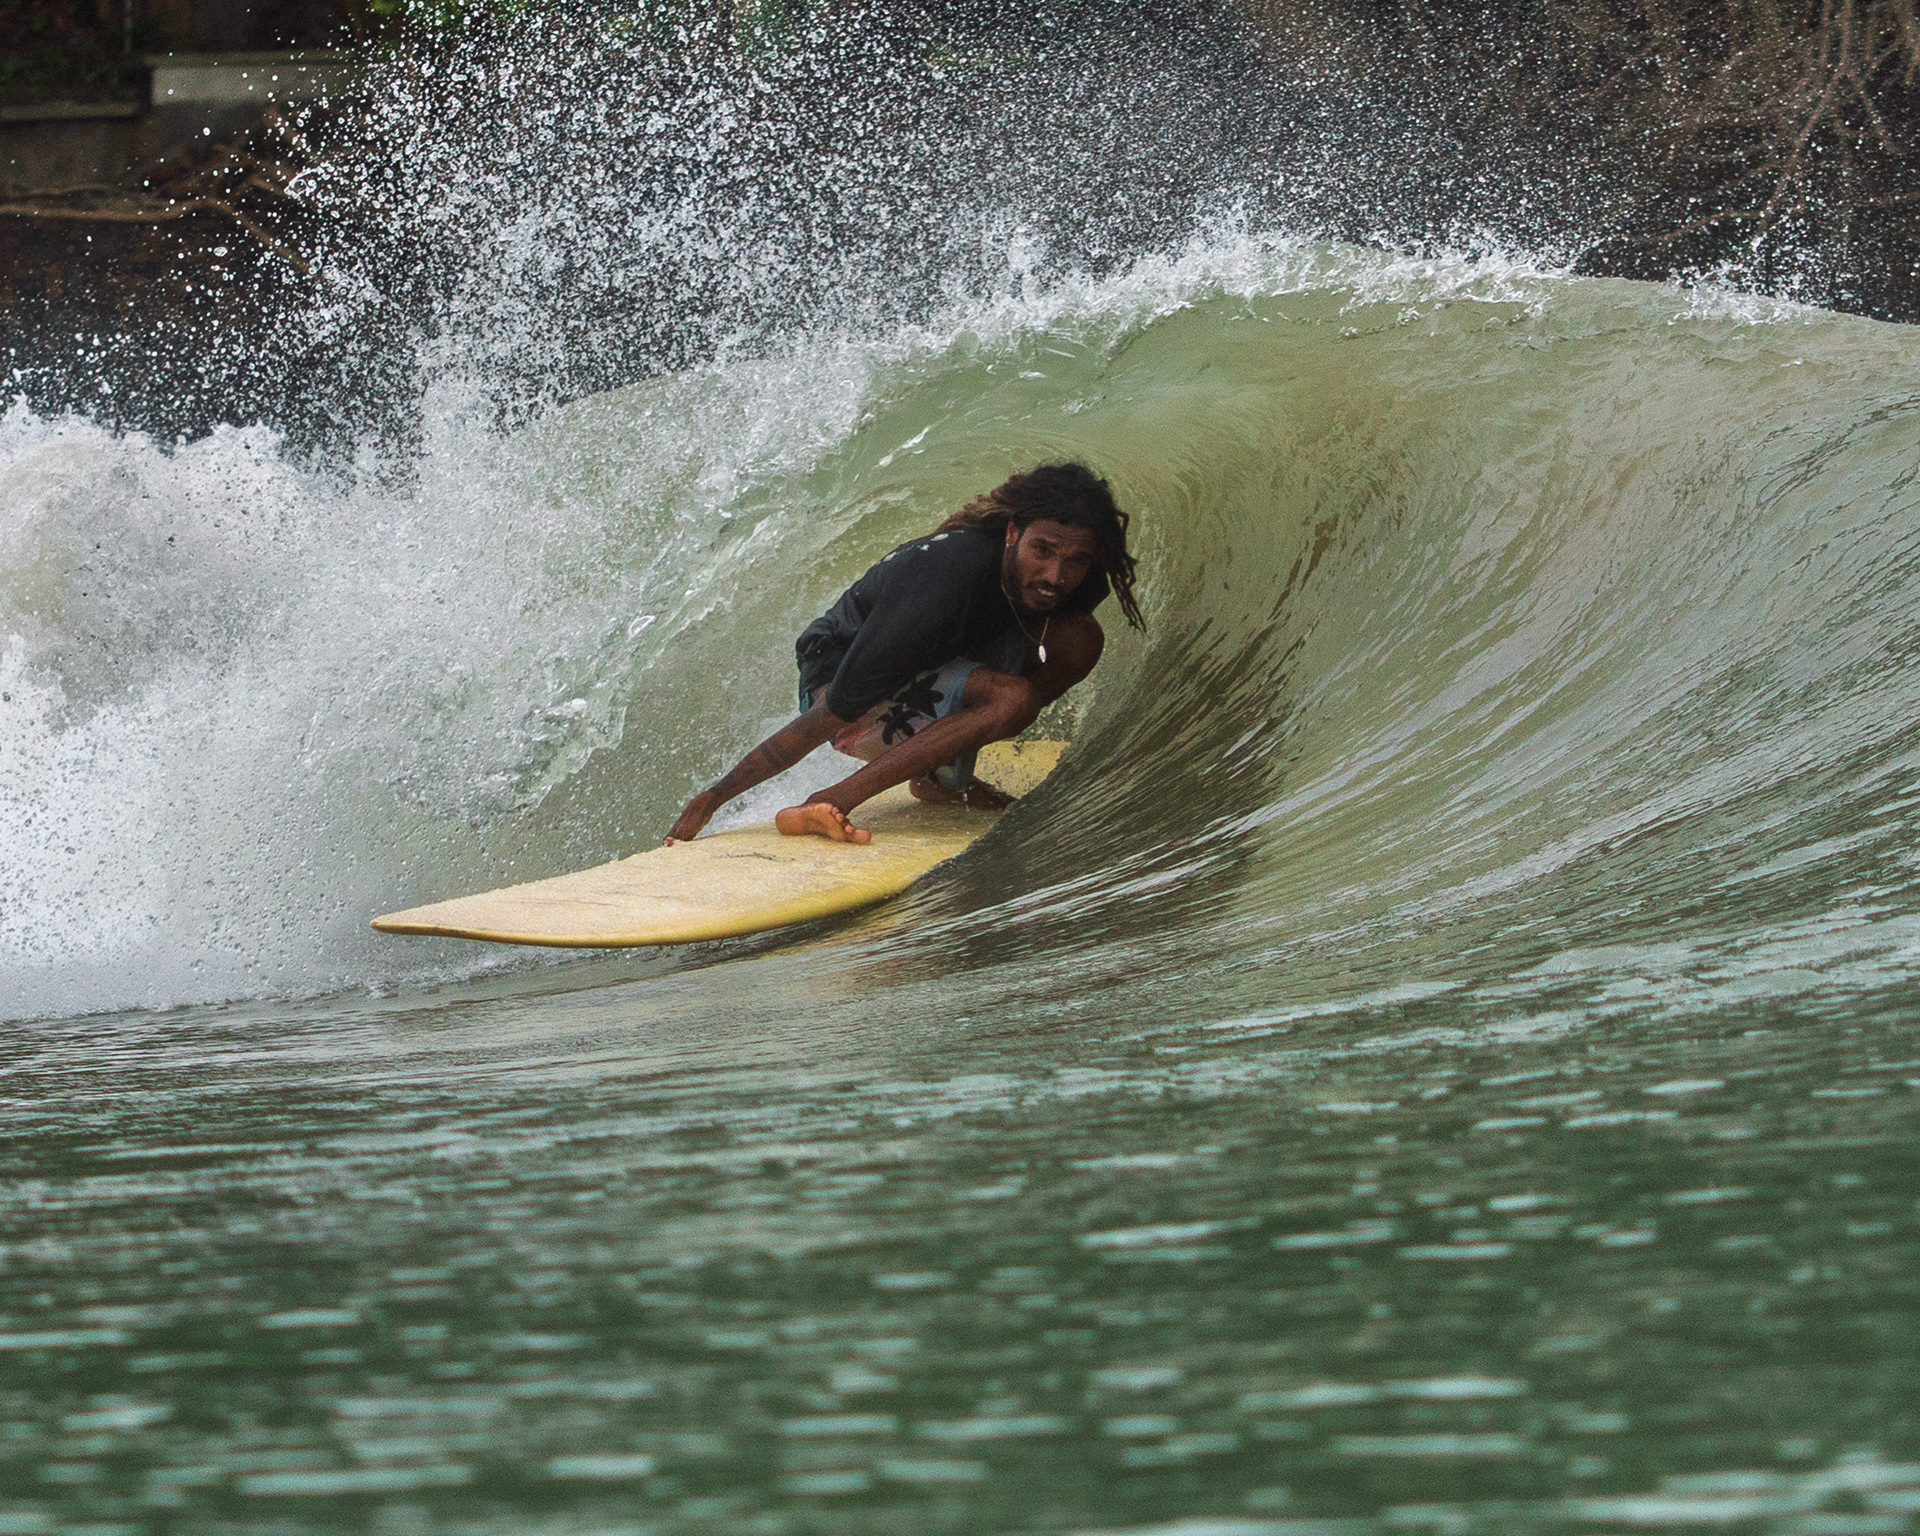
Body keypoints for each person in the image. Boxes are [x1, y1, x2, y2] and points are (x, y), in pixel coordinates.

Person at [664, 461, 1143, 844]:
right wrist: (716, 795)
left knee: (1079, 640)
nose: (1055, 575)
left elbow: (1059, 623)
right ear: (1013, 532)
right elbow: (825, 718)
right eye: (1044, 550)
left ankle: (940, 777)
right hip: (841, 688)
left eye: (1075, 560)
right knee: (1012, 700)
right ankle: (826, 801)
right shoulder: (937, 590)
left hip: (933, 666)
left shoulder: (1065, 579)